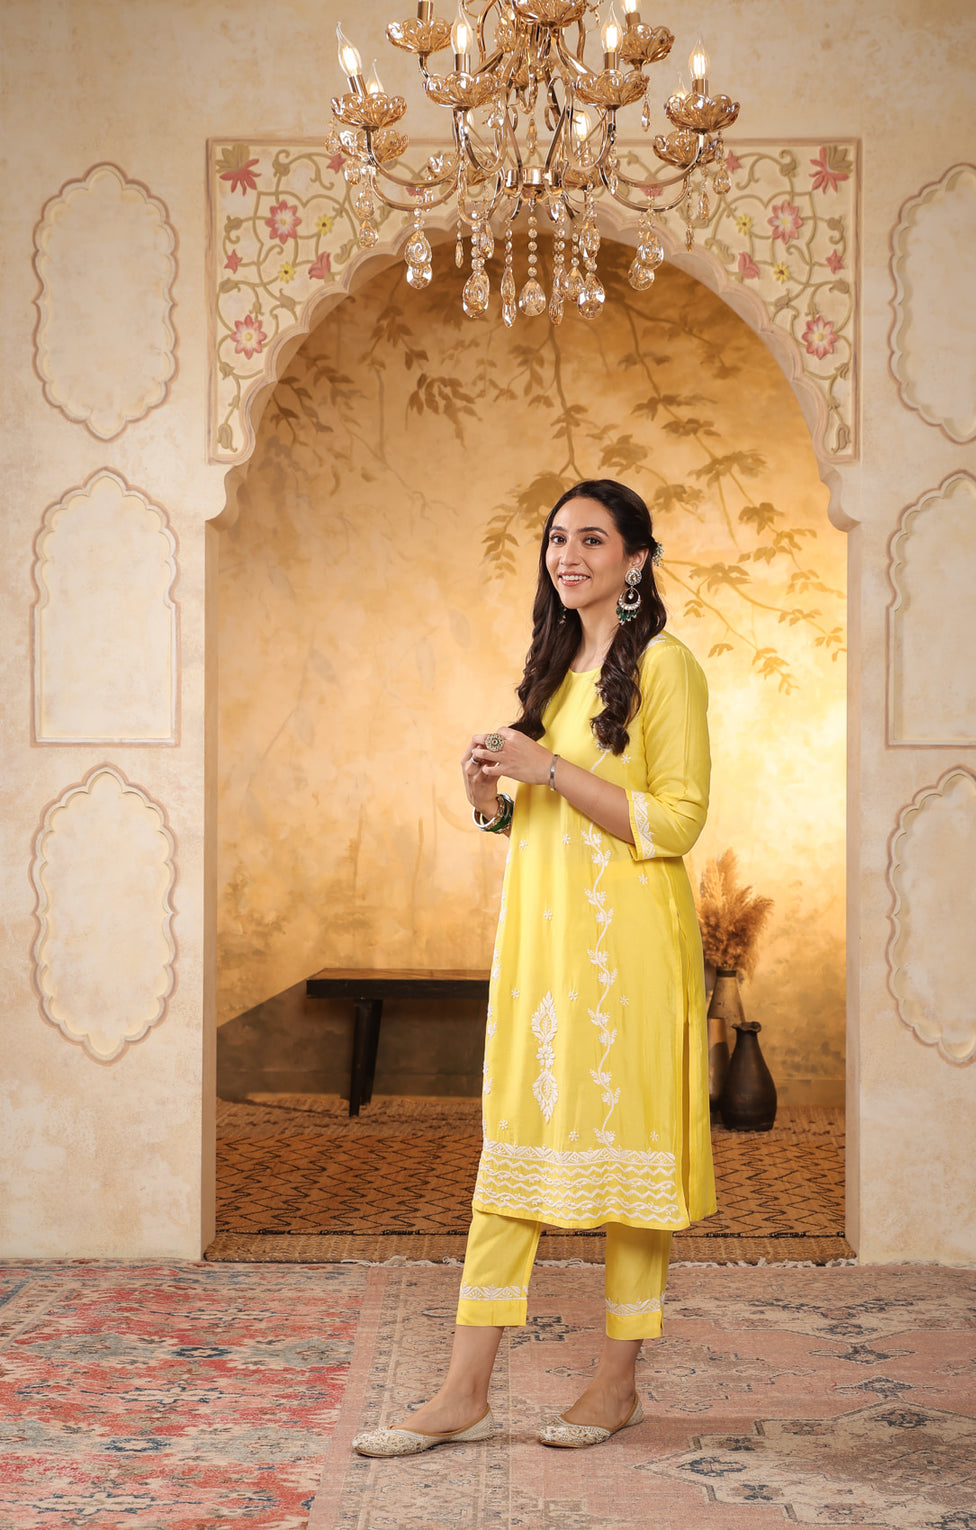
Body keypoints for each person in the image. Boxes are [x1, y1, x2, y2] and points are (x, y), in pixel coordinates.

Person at [352, 478, 714, 1456]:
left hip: (633, 953)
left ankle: (616, 1384)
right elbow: (547, 826)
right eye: (557, 539)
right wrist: (490, 801)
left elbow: (677, 821)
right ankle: (462, 1393)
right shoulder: (552, 670)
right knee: (510, 1156)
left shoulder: (667, 666)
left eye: (592, 539)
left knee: (632, 1165)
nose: (569, 555)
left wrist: (545, 766)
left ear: (635, 560)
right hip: (545, 953)